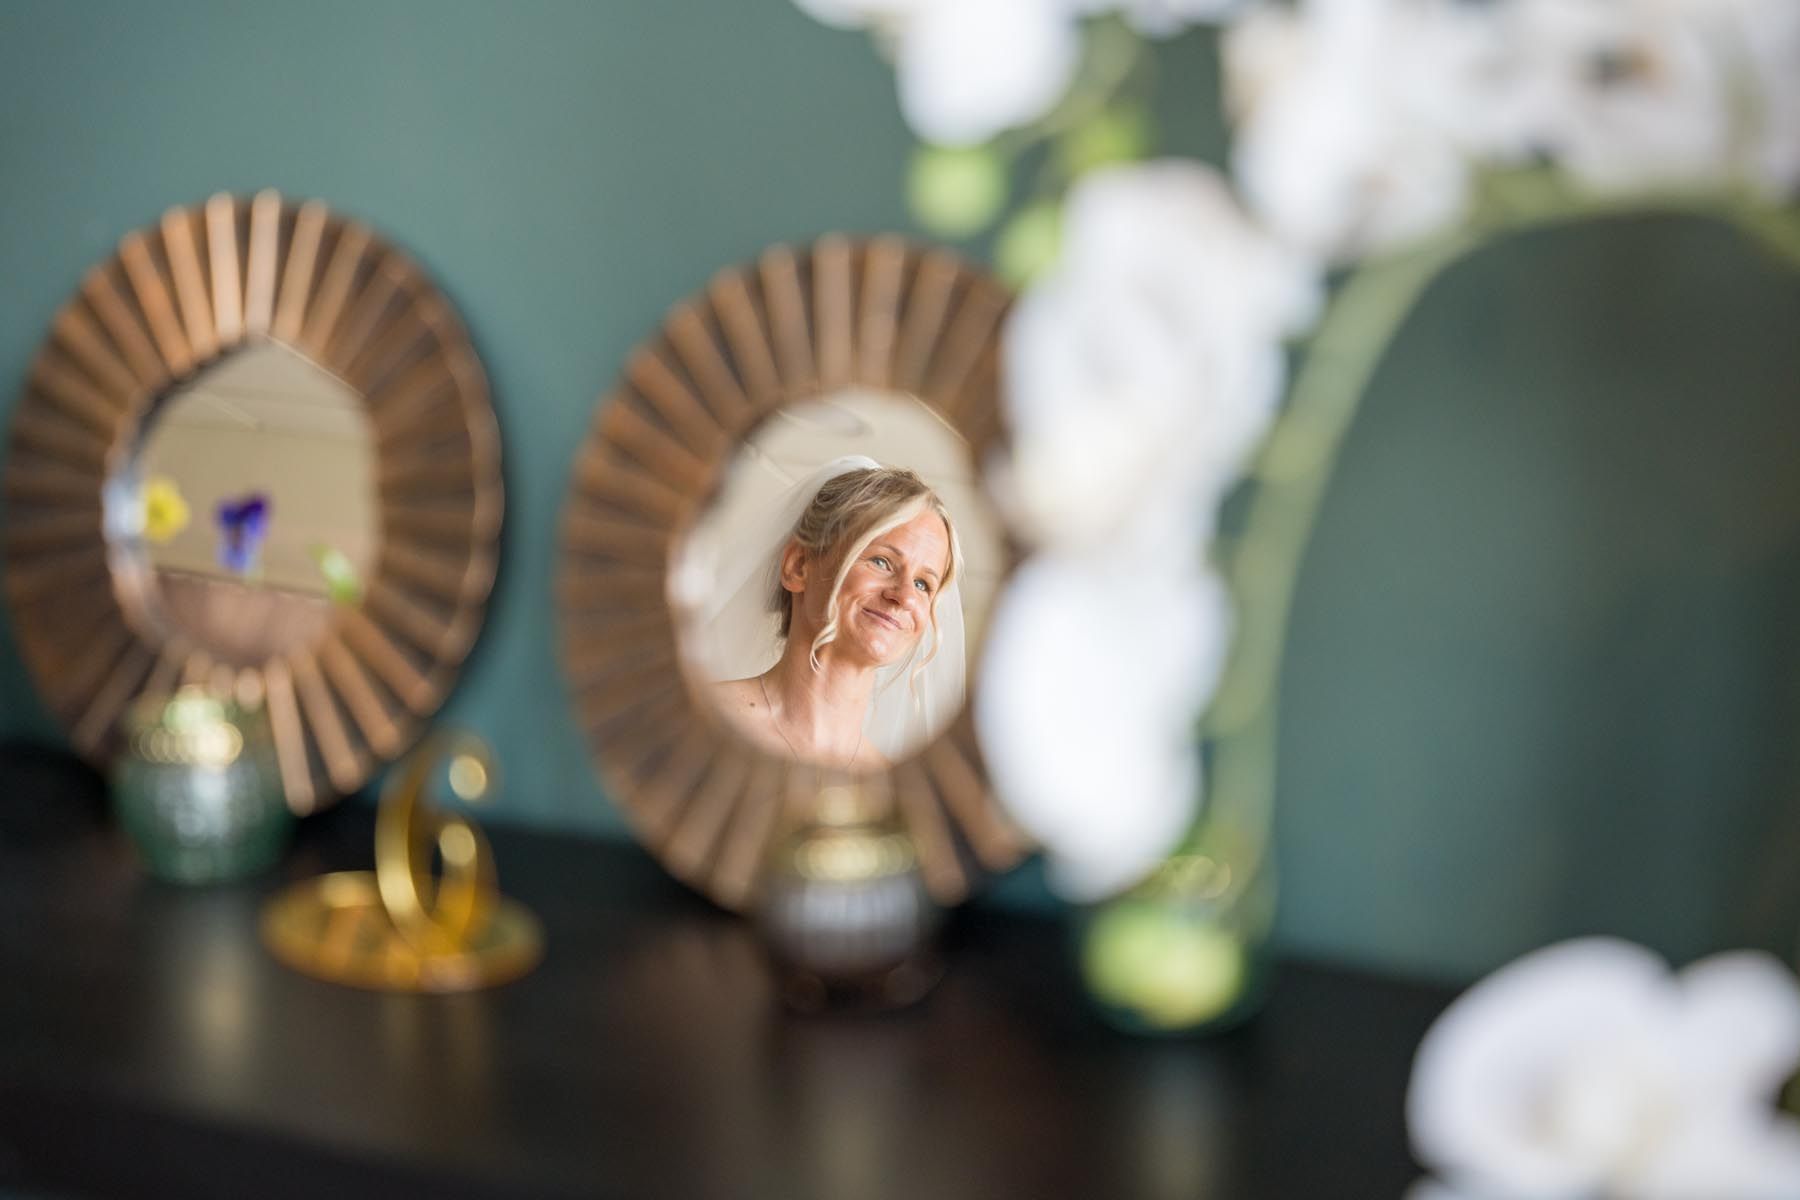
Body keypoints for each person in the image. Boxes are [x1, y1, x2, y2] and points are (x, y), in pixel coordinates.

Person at [684, 456, 966, 770]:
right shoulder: (699, 721)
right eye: (881, 562)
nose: (903, 597)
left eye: (922, 583)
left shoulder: (889, 784)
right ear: (798, 566)